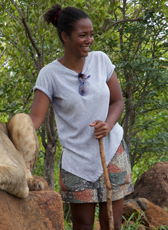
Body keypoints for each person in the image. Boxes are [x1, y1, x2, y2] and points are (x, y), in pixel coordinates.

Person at [29, 4, 134, 230]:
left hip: (112, 152)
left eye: (91, 34)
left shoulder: (101, 61)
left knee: (112, 223)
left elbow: (118, 101)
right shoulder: (50, 75)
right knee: (83, 223)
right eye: (83, 35)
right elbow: (34, 120)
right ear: (65, 36)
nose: (89, 40)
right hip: (77, 160)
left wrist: (108, 124)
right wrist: (9, 132)